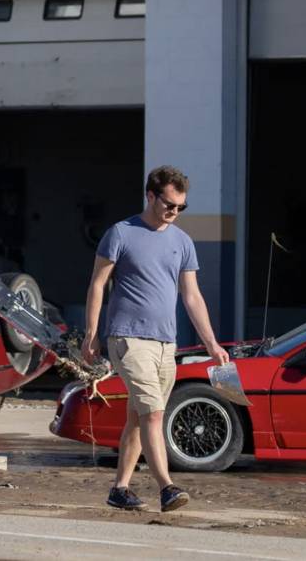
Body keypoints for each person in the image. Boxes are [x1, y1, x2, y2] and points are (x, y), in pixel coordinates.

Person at [82, 165, 230, 512]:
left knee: (139, 415)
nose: (174, 212)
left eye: (181, 207)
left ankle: (120, 489)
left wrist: (211, 343)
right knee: (153, 414)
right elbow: (98, 284)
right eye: (169, 204)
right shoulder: (120, 233)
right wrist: (91, 334)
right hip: (127, 339)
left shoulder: (182, 242)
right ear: (151, 196)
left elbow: (192, 296)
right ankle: (167, 487)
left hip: (166, 343)